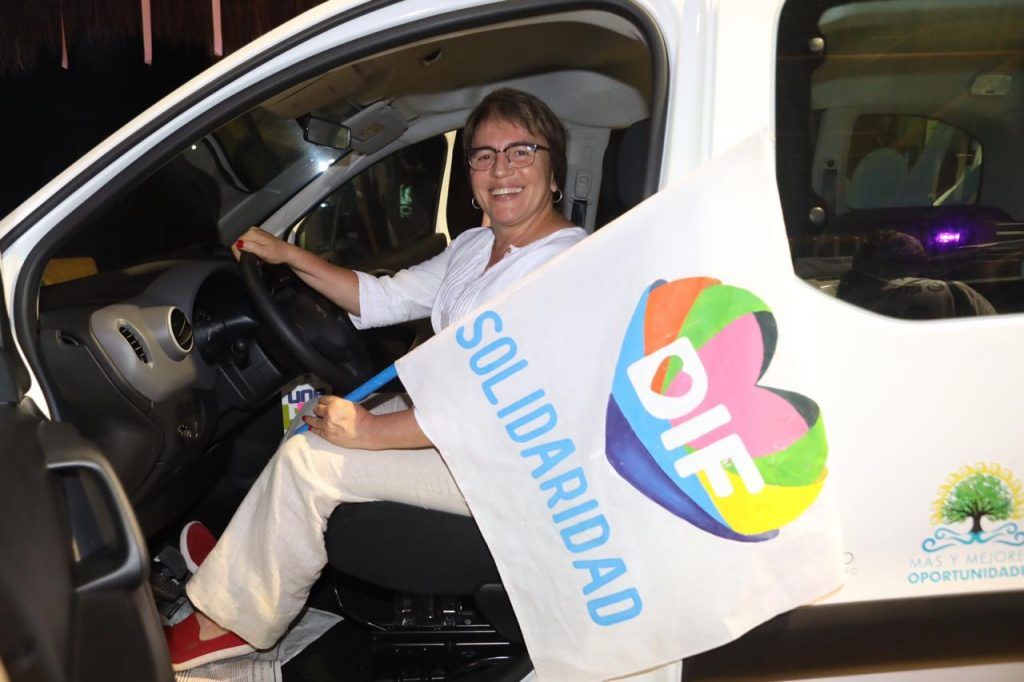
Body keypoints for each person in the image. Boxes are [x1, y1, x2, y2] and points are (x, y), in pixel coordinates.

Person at [164, 88, 586, 670]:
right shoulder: (477, 246)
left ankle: (232, 621)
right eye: (484, 155)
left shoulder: (566, 264)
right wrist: (290, 256)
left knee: (311, 459)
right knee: (311, 417)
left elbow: (498, 406)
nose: (501, 169)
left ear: (553, 170)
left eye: (521, 152)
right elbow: (381, 297)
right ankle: (244, 566)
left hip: (508, 464)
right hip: (457, 432)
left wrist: (368, 431)